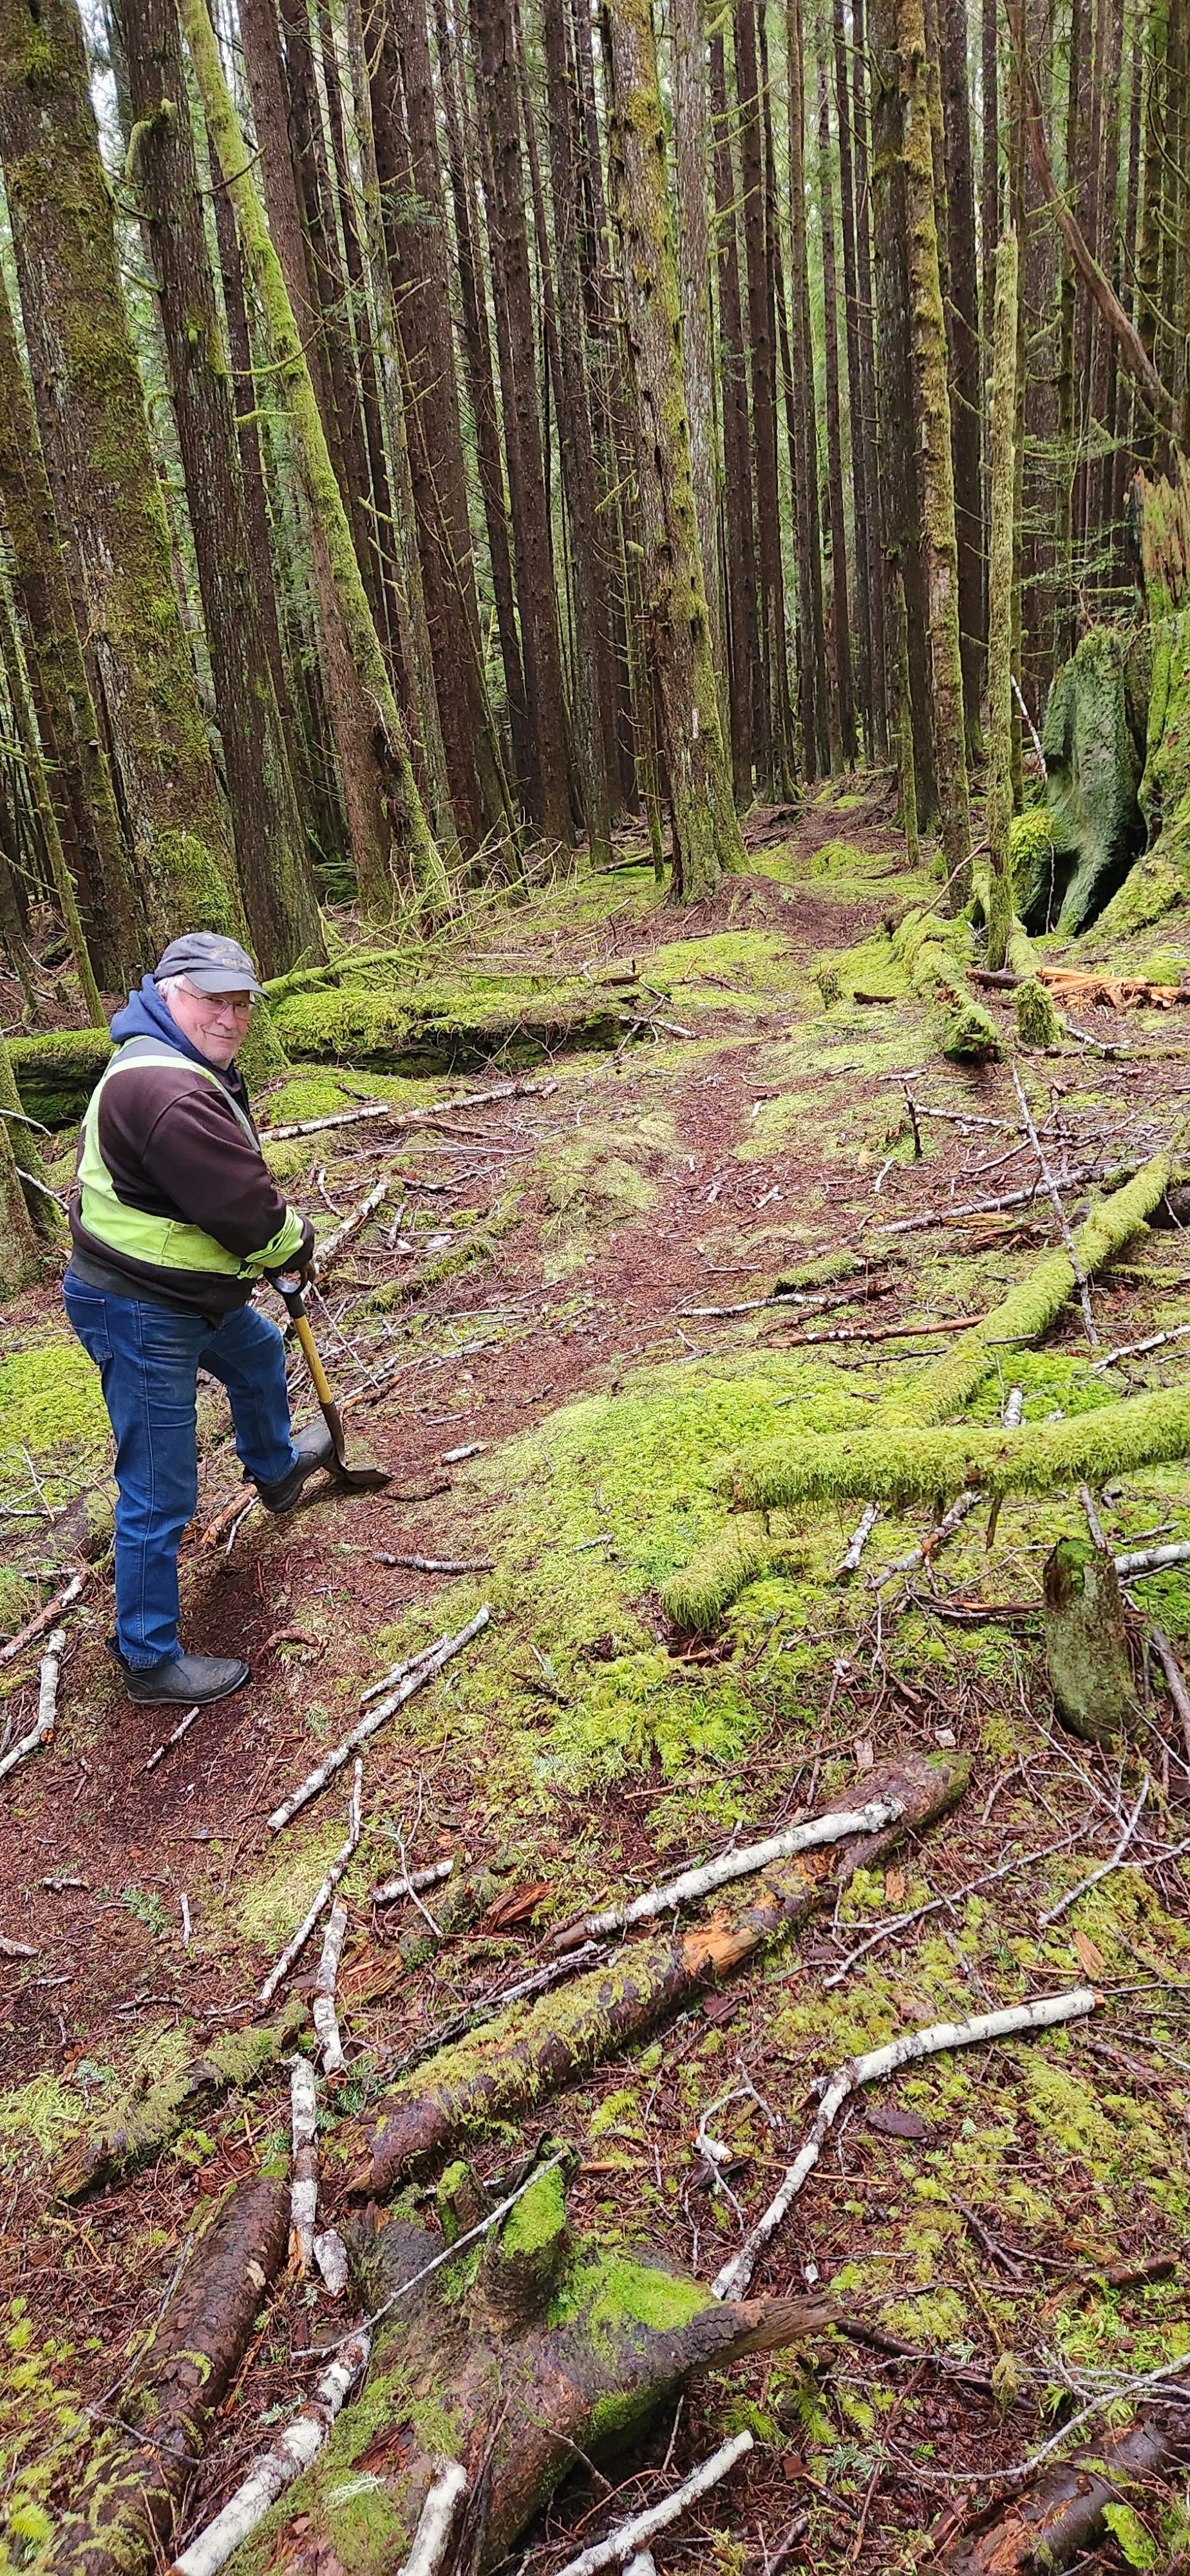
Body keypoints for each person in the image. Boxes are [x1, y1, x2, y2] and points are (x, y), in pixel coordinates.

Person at [63, 933, 332, 1708]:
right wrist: (294, 1244)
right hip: (137, 1306)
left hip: (181, 1289)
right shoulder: (168, 1092)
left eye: (241, 1001)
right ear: (169, 991)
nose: (231, 1016)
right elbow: (247, 1213)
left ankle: (275, 1470)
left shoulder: (171, 1055)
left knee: (255, 1355)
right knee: (159, 1483)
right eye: (214, 999)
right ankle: (148, 1658)